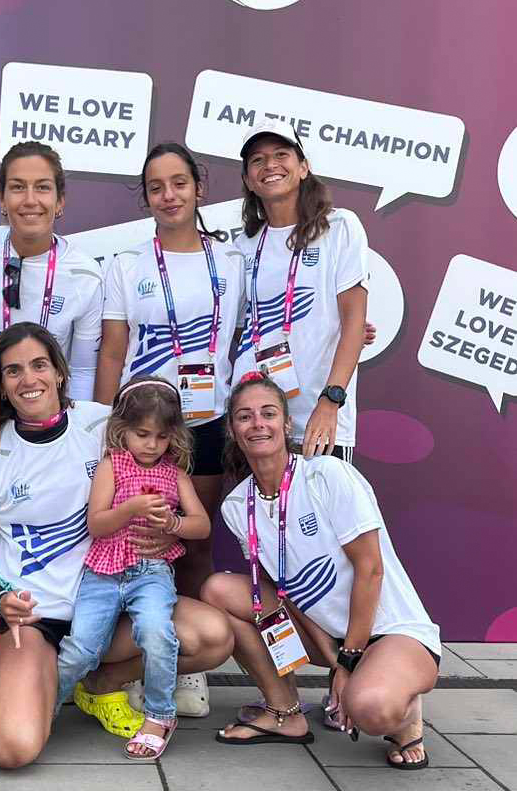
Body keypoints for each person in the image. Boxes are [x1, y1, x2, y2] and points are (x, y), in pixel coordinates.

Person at [0, 322, 233, 768]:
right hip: (38, 620)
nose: (29, 379)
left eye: (39, 365)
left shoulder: (102, 424)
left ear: (60, 372)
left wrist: (168, 527)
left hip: (111, 599)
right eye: (13, 371)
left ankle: (97, 685)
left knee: (212, 637)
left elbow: (163, 453)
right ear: (0, 386)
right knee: (13, 750)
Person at [202, 373, 440, 770]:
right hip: (329, 636)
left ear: (286, 423)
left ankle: (406, 715)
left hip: (391, 631)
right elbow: (282, 594)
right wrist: (332, 657)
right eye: (244, 416)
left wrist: (348, 662)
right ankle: (284, 712)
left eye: (268, 413)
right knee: (219, 591)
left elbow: (370, 570)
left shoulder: (327, 474)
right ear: (232, 429)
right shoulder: (237, 506)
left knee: (372, 709)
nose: (257, 424)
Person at [95, 142, 246, 714]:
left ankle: (185, 667)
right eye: (156, 187)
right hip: (140, 429)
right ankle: (138, 658)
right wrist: (105, 427)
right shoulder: (127, 265)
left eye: (179, 183)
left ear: (199, 188)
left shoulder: (232, 261)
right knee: (132, 541)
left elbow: (255, 332)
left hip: (204, 423)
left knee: (191, 543)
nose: (168, 195)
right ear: (146, 197)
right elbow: (113, 352)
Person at [55, 376, 210, 760]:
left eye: (161, 437)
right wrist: (131, 509)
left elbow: (202, 525)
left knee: (157, 634)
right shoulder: (112, 466)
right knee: (80, 648)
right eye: (142, 434)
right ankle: (44, 702)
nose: (151, 445)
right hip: (103, 572)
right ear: (122, 429)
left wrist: (174, 524)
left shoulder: (174, 473)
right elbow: (97, 524)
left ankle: (159, 715)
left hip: (151, 572)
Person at [230, 120, 368, 462]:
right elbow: (232, 330)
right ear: (248, 179)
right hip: (256, 422)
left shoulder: (339, 227)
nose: (270, 165)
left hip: (319, 418)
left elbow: (353, 322)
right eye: (258, 160)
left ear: (303, 167)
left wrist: (331, 400)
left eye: (281, 154)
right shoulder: (241, 246)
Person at [0, 141, 103, 422]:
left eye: (43, 187)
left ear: (60, 201)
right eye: (18, 187)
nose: (30, 200)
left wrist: (76, 429)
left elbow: (83, 369)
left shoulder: (86, 276)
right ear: (2, 198)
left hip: (40, 402)